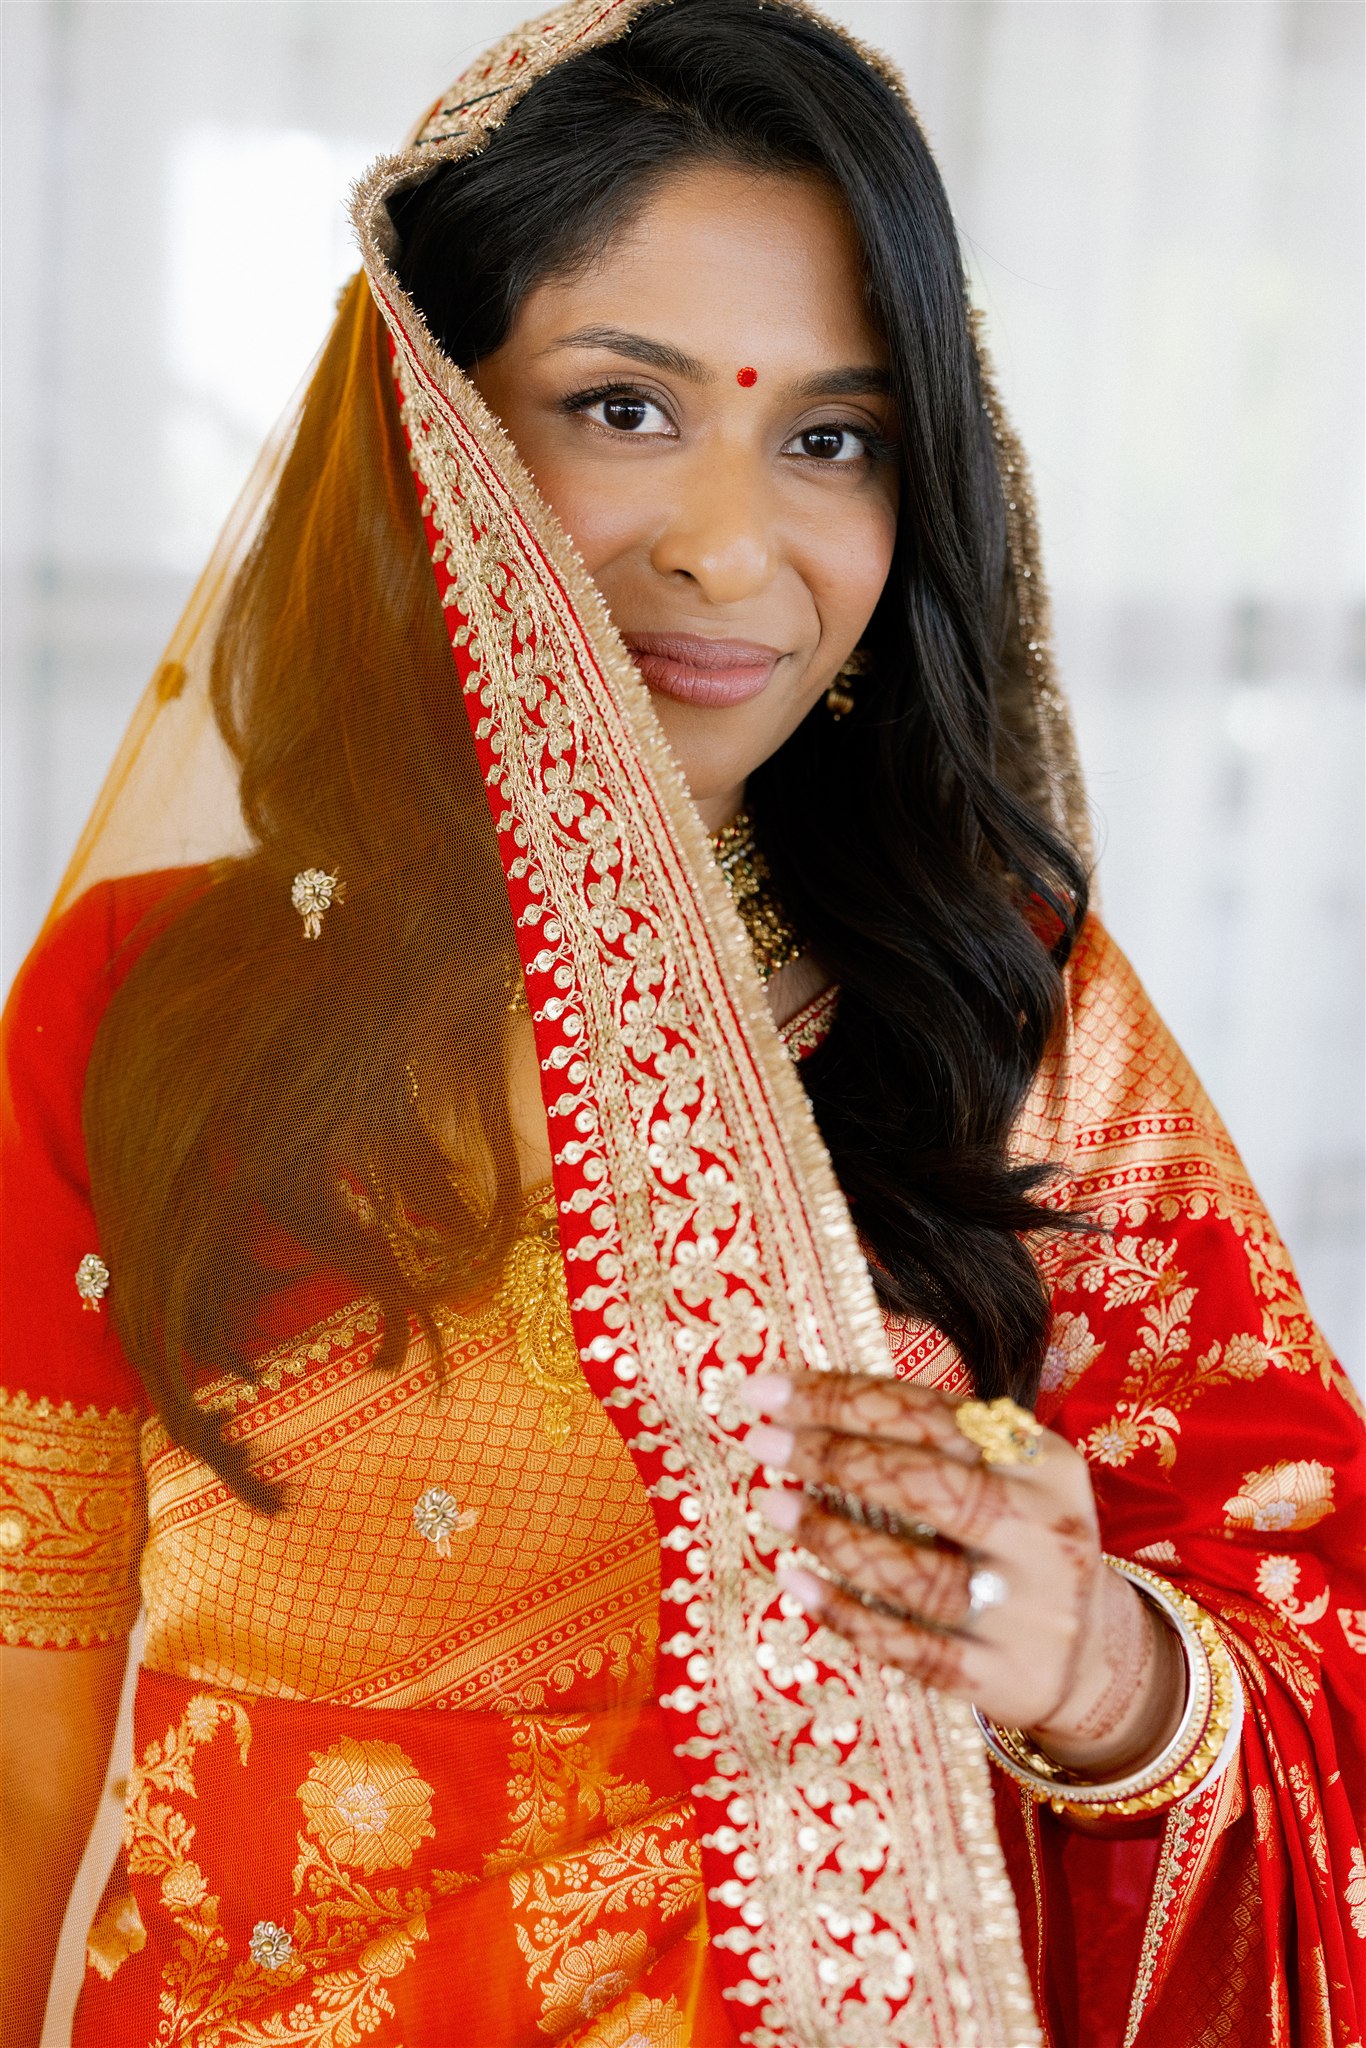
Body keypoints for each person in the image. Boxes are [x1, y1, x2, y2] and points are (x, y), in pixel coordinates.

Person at [2, 1, 1361, 2043]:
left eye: (832, 438)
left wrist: (1096, 1674)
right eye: (621, 408)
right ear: (428, 427)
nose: (730, 547)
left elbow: (1308, 1629)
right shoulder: (154, 1006)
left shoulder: (992, 1000)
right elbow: (25, 1758)